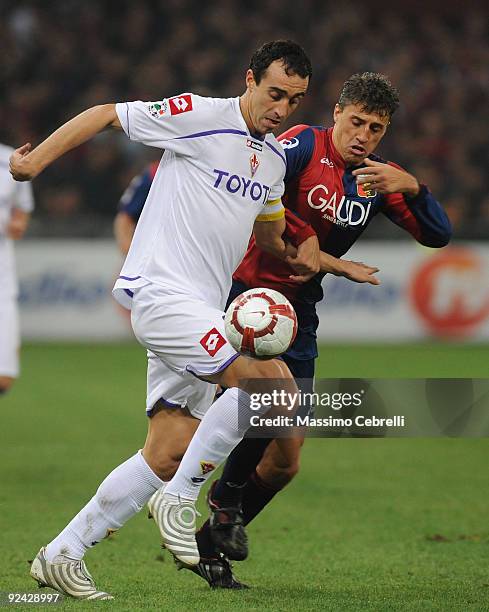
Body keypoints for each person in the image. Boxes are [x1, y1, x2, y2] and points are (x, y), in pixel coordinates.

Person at [10, 40, 326, 600]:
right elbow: (108, 114)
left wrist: (315, 254)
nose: (281, 108)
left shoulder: (273, 158)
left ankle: (62, 555)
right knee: (270, 389)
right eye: (274, 93)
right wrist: (34, 163)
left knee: (169, 449)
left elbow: (271, 233)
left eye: (295, 100)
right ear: (249, 79)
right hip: (162, 294)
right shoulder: (200, 116)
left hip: (206, 309)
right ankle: (179, 499)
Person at [146, 71, 452, 587]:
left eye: (376, 129)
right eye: (356, 122)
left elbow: (439, 235)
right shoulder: (300, 146)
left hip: (300, 313)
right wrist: (305, 235)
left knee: (287, 462)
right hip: (248, 298)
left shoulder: (377, 179)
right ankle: (220, 505)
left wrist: (415, 188)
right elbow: (255, 192)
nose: (364, 136)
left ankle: (210, 536)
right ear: (336, 113)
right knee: (266, 401)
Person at [0, 143, 34, 396]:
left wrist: (18, 222)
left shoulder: (9, 158)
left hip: (2, 273)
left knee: (4, 379)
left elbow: (23, 207)